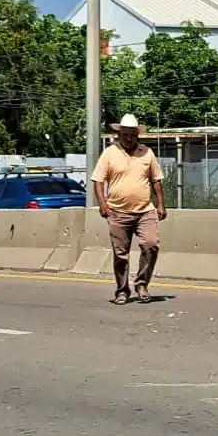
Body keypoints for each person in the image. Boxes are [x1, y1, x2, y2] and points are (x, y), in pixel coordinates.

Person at [91, 114, 167, 304]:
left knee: (151, 245)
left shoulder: (147, 153)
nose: (128, 138)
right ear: (119, 134)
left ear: (137, 135)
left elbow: (156, 179)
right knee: (120, 254)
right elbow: (98, 181)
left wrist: (160, 203)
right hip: (118, 212)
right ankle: (122, 290)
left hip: (144, 210)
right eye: (125, 135)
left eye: (132, 135)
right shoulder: (109, 153)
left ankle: (141, 284)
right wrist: (102, 204)